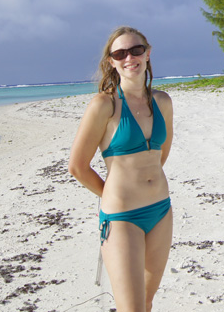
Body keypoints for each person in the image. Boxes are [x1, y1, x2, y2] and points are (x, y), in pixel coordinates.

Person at [69, 26, 174, 312]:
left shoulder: (163, 102)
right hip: (121, 217)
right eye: (120, 53)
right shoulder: (104, 105)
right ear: (111, 62)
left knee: (147, 302)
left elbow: (159, 155)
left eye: (136, 50)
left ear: (148, 53)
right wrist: (113, 194)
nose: (130, 57)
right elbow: (77, 167)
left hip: (161, 212)